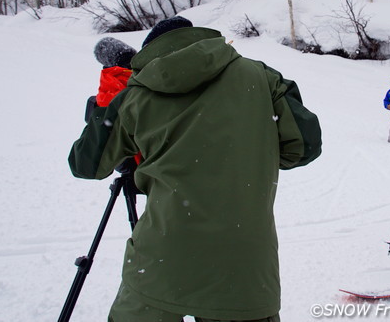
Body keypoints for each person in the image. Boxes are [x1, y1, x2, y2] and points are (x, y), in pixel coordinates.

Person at [68, 16, 323, 322]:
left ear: (150, 54)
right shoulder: (261, 77)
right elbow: (304, 147)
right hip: (244, 272)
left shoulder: (136, 93)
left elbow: (85, 163)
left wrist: (108, 102)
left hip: (160, 265)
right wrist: (250, 153)